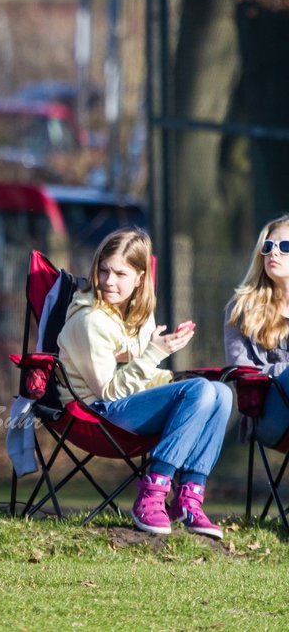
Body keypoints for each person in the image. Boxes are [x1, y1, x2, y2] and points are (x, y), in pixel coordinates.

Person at [56, 227, 231, 537]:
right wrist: (154, 352)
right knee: (200, 390)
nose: (109, 281)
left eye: (120, 274)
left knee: (220, 392)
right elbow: (108, 393)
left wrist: (168, 375)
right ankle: (152, 494)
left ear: (140, 278)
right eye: (104, 270)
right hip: (94, 415)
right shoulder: (91, 320)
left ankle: (189, 499)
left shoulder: (133, 315)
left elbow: (138, 377)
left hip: (126, 408)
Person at [224, 214, 289, 447]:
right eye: (268, 246)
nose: (274, 252)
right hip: (267, 416)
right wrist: (284, 371)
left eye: (285, 246)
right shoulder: (241, 308)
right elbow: (241, 370)